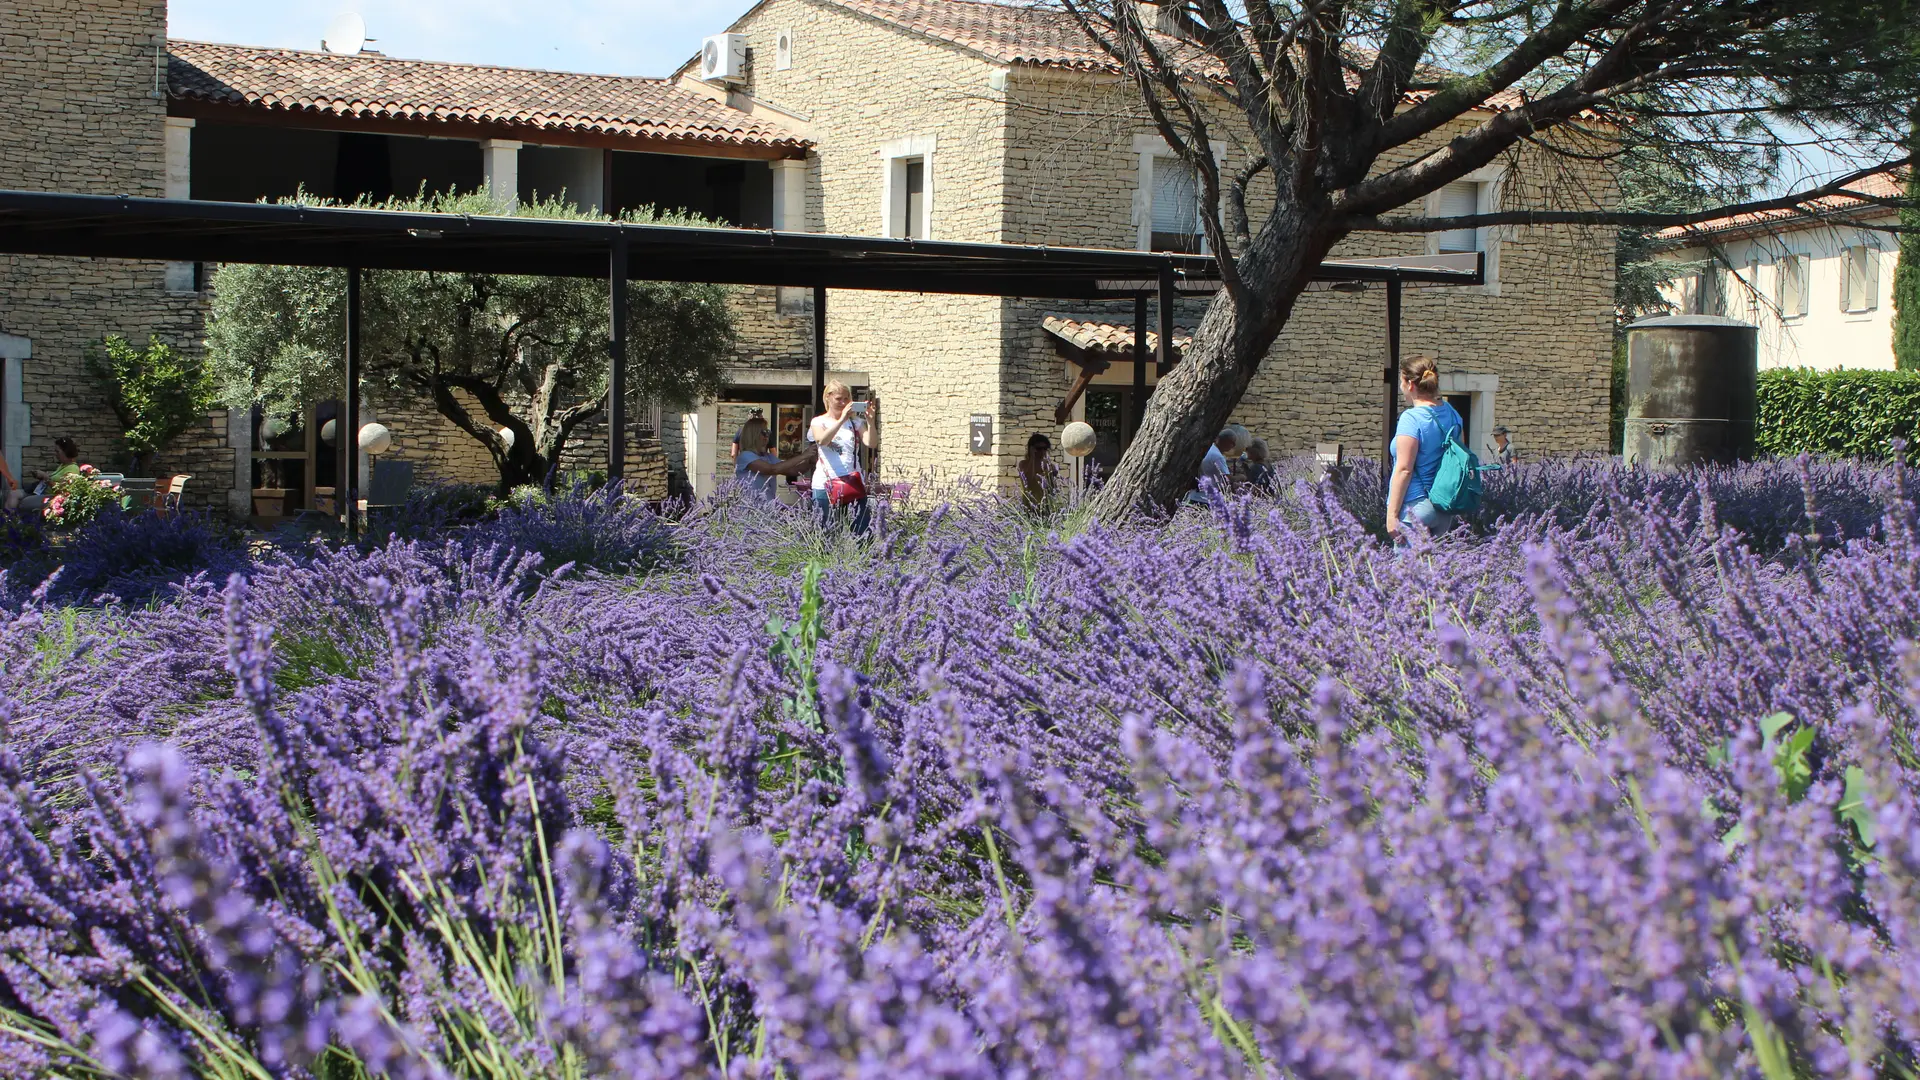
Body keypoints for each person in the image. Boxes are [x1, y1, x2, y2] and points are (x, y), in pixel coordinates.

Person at [1386, 355, 1467, 542]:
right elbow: (1460, 457)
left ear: (1410, 385)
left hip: (1416, 507)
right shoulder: (1453, 413)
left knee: (1406, 570)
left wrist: (1392, 515)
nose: (1400, 387)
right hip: (1444, 508)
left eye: (1401, 382)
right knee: (1434, 569)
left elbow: (1404, 469)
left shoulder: (1411, 418)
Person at [809, 381, 880, 533]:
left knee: (862, 534)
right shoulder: (818, 421)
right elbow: (822, 440)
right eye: (839, 399)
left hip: (852, 483)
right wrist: (841, 420)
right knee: (824, 534)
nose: (843, 403)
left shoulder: (855, 422)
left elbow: (871, 442)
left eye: (846, 399)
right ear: (828, 398)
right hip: (825, 484)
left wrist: (870, 421)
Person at [733, 415, 815, 502]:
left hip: (768, 509)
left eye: (768, 432)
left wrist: (810, 461)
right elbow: (772, 469)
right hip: (751, 510)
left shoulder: (768, 457)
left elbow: (793, 471)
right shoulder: (745, 456)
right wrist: (803, 455)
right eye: (764, 432)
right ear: (753, 435)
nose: (767, 436)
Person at [1017, 432, 1058, 511]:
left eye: (1044, 449)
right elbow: (1028, 480)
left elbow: (1053, 489)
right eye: (1039, 449)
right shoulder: (1023, 464)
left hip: (1045, 505)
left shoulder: (1049, 466)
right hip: (1028, 504)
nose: (1042, 451)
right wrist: (1032, 458)